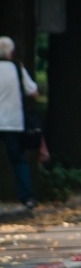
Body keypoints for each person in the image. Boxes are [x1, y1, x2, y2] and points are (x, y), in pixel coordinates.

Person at [0, 36, 37, 209]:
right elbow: (33, 91)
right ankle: (26, 197)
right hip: (14, 122)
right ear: (12, 52)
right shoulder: (17, 68)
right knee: (19, 160)